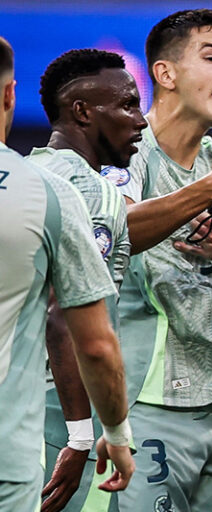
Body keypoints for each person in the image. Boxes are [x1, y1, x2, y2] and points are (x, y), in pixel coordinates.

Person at [106, 9, 212, 511]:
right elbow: (116, 233)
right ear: (166, 73)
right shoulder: (121, 156)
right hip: (138, 403)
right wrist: (210, 190)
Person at [0, 36, 134, 512]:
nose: (141, 120)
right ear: (9, 94)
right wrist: (87, 435)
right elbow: (73, 325)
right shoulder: (65, 190)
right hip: (45, 409)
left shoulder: (38, 170)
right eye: (129, 105)